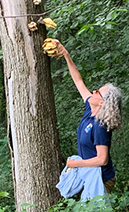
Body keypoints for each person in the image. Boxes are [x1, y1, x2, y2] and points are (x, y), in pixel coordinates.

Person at [51, 42, 122, 194]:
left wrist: (76, 164)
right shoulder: (90, 109)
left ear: (102, 102)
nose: (94, 91)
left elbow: (102, 159)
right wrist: (65, 54)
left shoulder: (100, 126)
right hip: (90, 173)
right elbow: (78, 81)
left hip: (102, 178)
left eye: (98, 92)